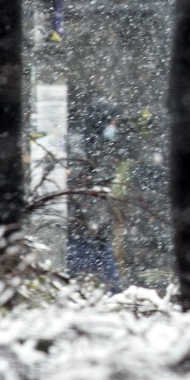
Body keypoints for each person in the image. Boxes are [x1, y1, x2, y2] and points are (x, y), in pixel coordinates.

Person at [68, 101, 129, 291]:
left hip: (93, 231)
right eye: (112, 122)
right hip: (84, 231)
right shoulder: (84, 151)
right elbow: (84, 193)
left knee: (108, 284)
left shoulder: (95, 147)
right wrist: (95, 223)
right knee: (80, 281)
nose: (114, 127)